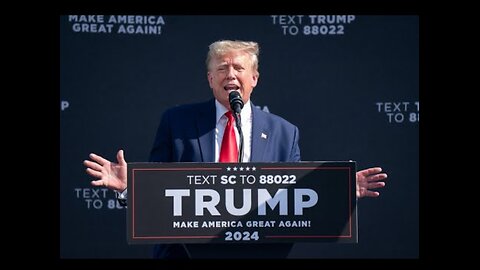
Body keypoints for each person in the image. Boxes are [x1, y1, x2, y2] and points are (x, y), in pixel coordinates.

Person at [84, 40, 388, 259]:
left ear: (254, 78)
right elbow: (156, 191)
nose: (230, 74)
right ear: (210, 79)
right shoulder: (177, 122)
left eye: (238, 67)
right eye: (222, 68)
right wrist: (129, 188)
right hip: (182, 254)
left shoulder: (285, 131)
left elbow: (295, 196)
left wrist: (338, 192)